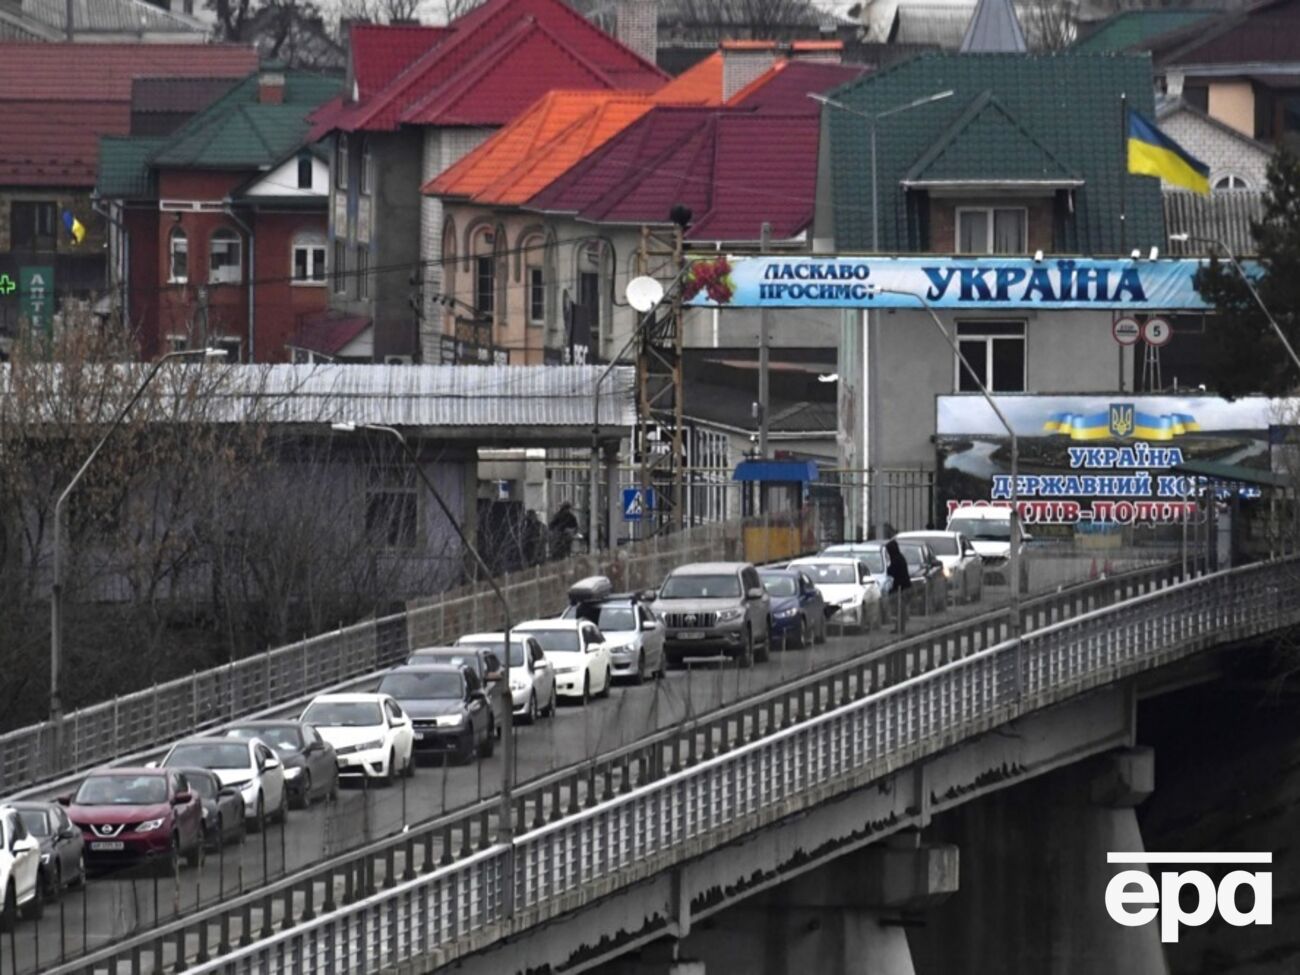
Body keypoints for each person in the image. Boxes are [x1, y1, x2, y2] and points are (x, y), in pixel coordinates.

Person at [885, 538, 911, 634]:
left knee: (900, 609)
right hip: (902, 587)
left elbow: (892, 571)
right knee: (899, 610)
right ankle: (899, 627)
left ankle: (900, 628)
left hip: (901, 588)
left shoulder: (897, 560)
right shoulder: (899, 558)